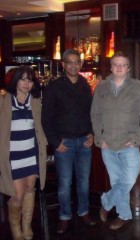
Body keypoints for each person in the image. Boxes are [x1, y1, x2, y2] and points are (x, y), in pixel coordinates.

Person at [91, 51, 140, 230]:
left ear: (128, 68)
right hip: (107, 145)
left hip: (129, 144)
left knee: (128, 180)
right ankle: (124, 215)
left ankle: (107, 202)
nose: (119, 67)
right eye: (115, 64)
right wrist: (99, 138)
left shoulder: (138, 87)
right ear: (111, 67)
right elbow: (95, 115)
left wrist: (138, 139)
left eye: (122, 64)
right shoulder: (101, 87)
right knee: (117, 182)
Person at [42, 49, 96, 234]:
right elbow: (46, 119)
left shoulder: (85, 85)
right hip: (64, 143)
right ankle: (64, 216)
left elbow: (91, 113)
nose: (74, 65)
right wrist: (55, 142)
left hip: (84, 142)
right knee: (65, 183)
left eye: (77, 62)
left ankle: (84, 212)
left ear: (81, 64)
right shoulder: (54, 87)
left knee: (84, 182)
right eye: (70, 62)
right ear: (63, 65)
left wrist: (91, 133)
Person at [0, 66, 47, 240]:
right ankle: (15, 226)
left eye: (30, 80)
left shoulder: (34, 101)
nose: (27, 84)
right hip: (12, 156)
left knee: (29, 190)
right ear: (16, 81)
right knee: (17, 195)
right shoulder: (4, 100)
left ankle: (26, 226)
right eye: (23, 79)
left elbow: (39, 127)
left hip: (31, 153)